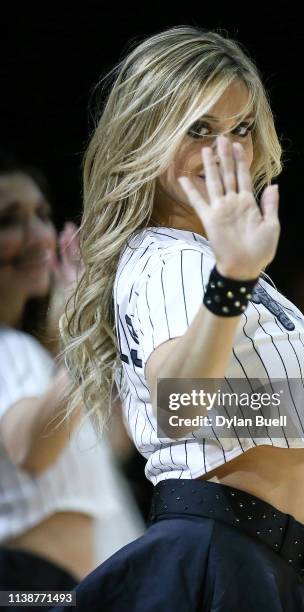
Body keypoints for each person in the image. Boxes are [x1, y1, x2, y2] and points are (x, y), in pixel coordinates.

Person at [53, 26, 304, 611]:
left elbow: (280, 409)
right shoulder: (175, 261)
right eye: (199, 129)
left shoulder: (206, 258)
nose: (227, 151)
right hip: (219, 559)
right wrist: (233, 282)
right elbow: (180, 405)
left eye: (240, 128)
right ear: (147, 136)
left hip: (253, 563)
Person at [0, 154, 144, 610]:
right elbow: (31, 449)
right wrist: (84, 338)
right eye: (8, 220)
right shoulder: (10, 351)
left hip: (58, 593)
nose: (40, 236)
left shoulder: (39, 361)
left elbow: (119, 440)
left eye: (42, 215)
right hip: (32, 591)